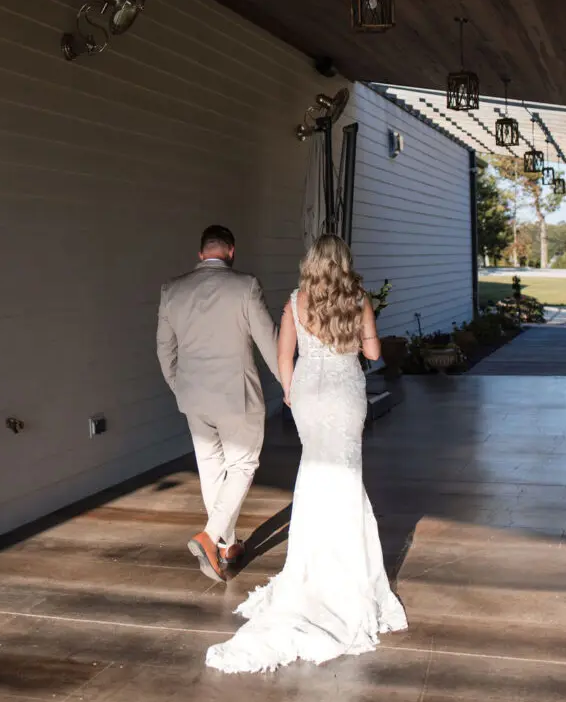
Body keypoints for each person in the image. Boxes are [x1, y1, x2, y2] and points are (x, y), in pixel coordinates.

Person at [206, 233, 408, 673]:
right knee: (344, 476)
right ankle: (347, 573)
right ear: (344, 262)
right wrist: (360, 333)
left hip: (309, 395)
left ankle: (310, 570)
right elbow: (372, 352)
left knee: (313, 473)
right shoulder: (358, 299)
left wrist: (291, 393)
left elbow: (283, 356)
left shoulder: (295, 301)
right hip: (345, 391)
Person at [157, 225, 280, 582]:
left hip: (193, 396)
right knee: (242, 464)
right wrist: (290, 385)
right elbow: (268, 342)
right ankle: (210, 538)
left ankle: (227, 546)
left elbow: (165, 349)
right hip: (236, 396)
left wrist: (179, 387)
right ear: (231, 251)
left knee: (210, 468)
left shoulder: (172, 291)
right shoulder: (245, 286)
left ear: (201, 254)